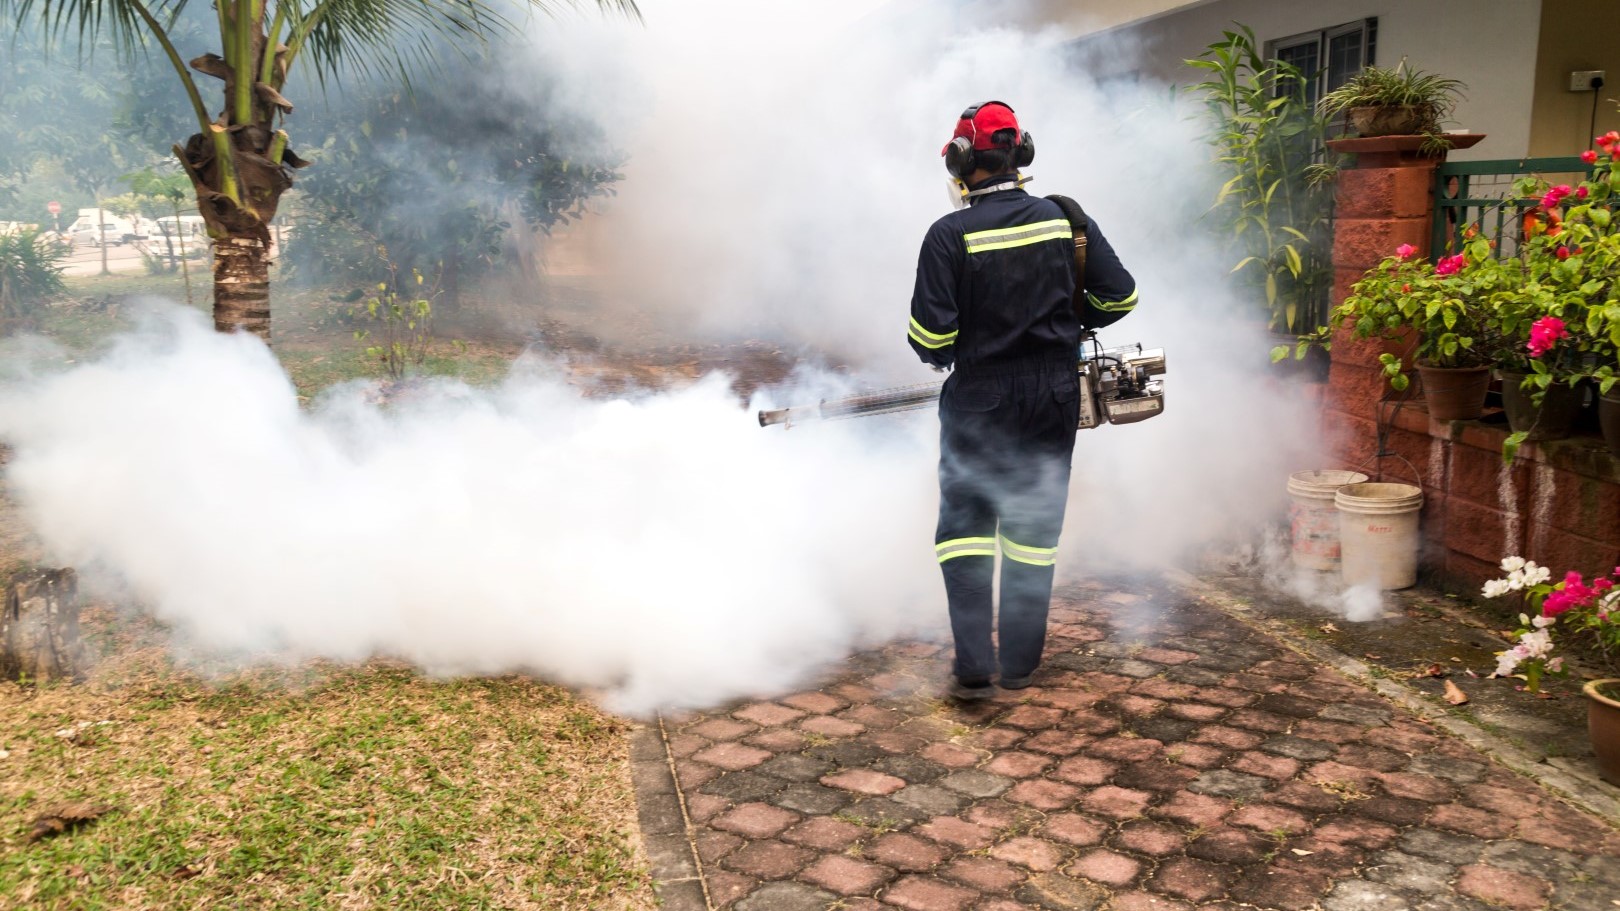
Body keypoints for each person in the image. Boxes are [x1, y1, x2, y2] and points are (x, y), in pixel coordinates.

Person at [908, 100, 1138, 700]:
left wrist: (958, 344)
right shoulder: (1065, 220)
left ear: (961, 162)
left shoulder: (948, 235)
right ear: (1021, 154)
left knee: (965, 528)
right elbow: (1119, 298)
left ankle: (974, 667)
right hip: (1055, 394)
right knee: (1033, 530)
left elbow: (931, 341)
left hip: (979, 398)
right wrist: (1065, 324)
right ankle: (1019, 666)